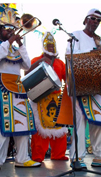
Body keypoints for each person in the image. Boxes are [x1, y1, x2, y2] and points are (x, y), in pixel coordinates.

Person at [0, 3, 41, 172]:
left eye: (13, 28)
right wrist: (9, 42)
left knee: (22, 123)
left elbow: (26, 65)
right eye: (6, 28)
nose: (11, 31)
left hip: (18, 87)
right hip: (0, 87)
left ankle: (23, 158)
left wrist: (20, 45)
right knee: (0, 125)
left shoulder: (15, 47)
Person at [64, 8, 101, 168]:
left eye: (98, 20)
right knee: (79, 123)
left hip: (97, 87)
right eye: (93, 18)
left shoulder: (99, 41)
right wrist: (95, 53)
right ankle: (77, 157)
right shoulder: (76, 35)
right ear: (86, 20)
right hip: (80, 85)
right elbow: (71, 55)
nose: (95, 22)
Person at [25, 31, 69, 163]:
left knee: (60, 129)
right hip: (40, 99)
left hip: (56, 99)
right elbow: (26, 73)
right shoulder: (35, 60)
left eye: (52, 45)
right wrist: (40, 61)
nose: (51, 47)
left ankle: (58, 154)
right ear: (44, 46)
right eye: (48, 45)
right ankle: (38, 156)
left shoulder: (61, 63)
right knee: (40, 131)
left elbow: (67, 79)